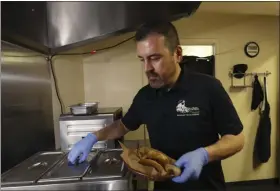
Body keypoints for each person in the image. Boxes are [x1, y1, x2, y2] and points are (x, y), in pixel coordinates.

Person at [68, 21, 245, 190]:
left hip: (206, 186)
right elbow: (122, 126)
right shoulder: (145, 96)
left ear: (177, 54)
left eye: (154, 58)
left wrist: (204, 155)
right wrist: (92, 137)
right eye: (142, 59)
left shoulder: (208, 87)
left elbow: (237, 139)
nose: (147, 68)